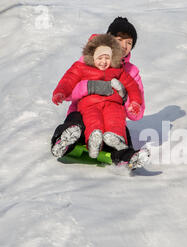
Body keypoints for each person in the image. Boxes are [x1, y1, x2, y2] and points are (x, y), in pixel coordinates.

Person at [51, 17, 149, 168]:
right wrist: (89, 87)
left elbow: (137, 114)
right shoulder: (90, 60)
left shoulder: (131, 72)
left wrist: (125, 98)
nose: (124, 46)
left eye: (129, 43)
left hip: (112, 117)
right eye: (120, 39)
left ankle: (128, 157)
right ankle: (63, 142)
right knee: (75, 122)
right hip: (84, 112)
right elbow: (69, 90)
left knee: (121, 132)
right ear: (109, 40)